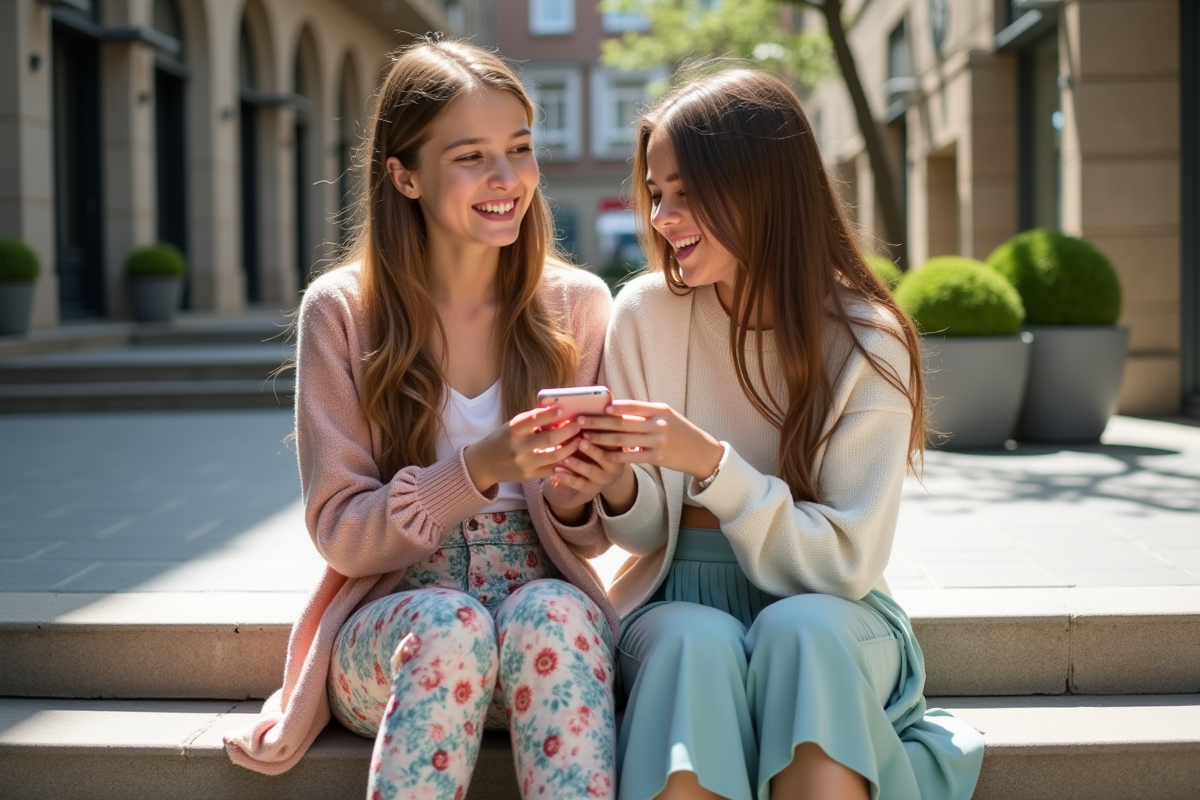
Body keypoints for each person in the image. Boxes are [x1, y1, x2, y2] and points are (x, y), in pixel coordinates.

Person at [551, 69, 985, 800]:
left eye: (686, 192)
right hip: (672, 595)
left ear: (762, 186)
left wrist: (714, 467)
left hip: (834, 606)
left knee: (801, 633)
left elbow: (846, 561)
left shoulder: (867, 341)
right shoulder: (645, 314)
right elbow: (648, 531)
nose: (662, 216)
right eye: (657, 193)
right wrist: (613, 481)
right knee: (693, 643)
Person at [223, 39, 620, 800]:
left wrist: (578, 488)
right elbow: (339, 527)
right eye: (471, 156)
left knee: (556, 608)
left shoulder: (579, 307)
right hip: (396, 631)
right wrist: (478, 472)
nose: (507, 179)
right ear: (404, 175)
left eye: (521, 148)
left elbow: (591, 533)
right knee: (450, 623)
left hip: (545, 638)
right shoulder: (343, 312)